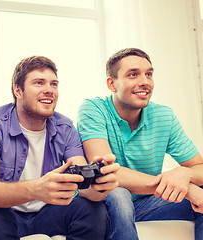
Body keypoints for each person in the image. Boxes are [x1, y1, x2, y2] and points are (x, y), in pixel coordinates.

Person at [0, 56, 120, 240]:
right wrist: (36, 188)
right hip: (6, 213)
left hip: (48, 213)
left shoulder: (65, 127)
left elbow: (84, 188)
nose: (49, 90)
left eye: (54, 84)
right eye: (39, 83)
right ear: (18, 90)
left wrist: (99, 184)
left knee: (93, 210)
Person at [77, 47, 203, 240]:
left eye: (149, 74)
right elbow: (106, 171)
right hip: (103, 202)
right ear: (112, 84)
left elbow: (199, 168)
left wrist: (184, 174)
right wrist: (185, 189)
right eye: (133, 75)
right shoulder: (93, 109)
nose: (144, 82)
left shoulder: (163, 115)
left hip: (147, 204)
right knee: (118, 194)